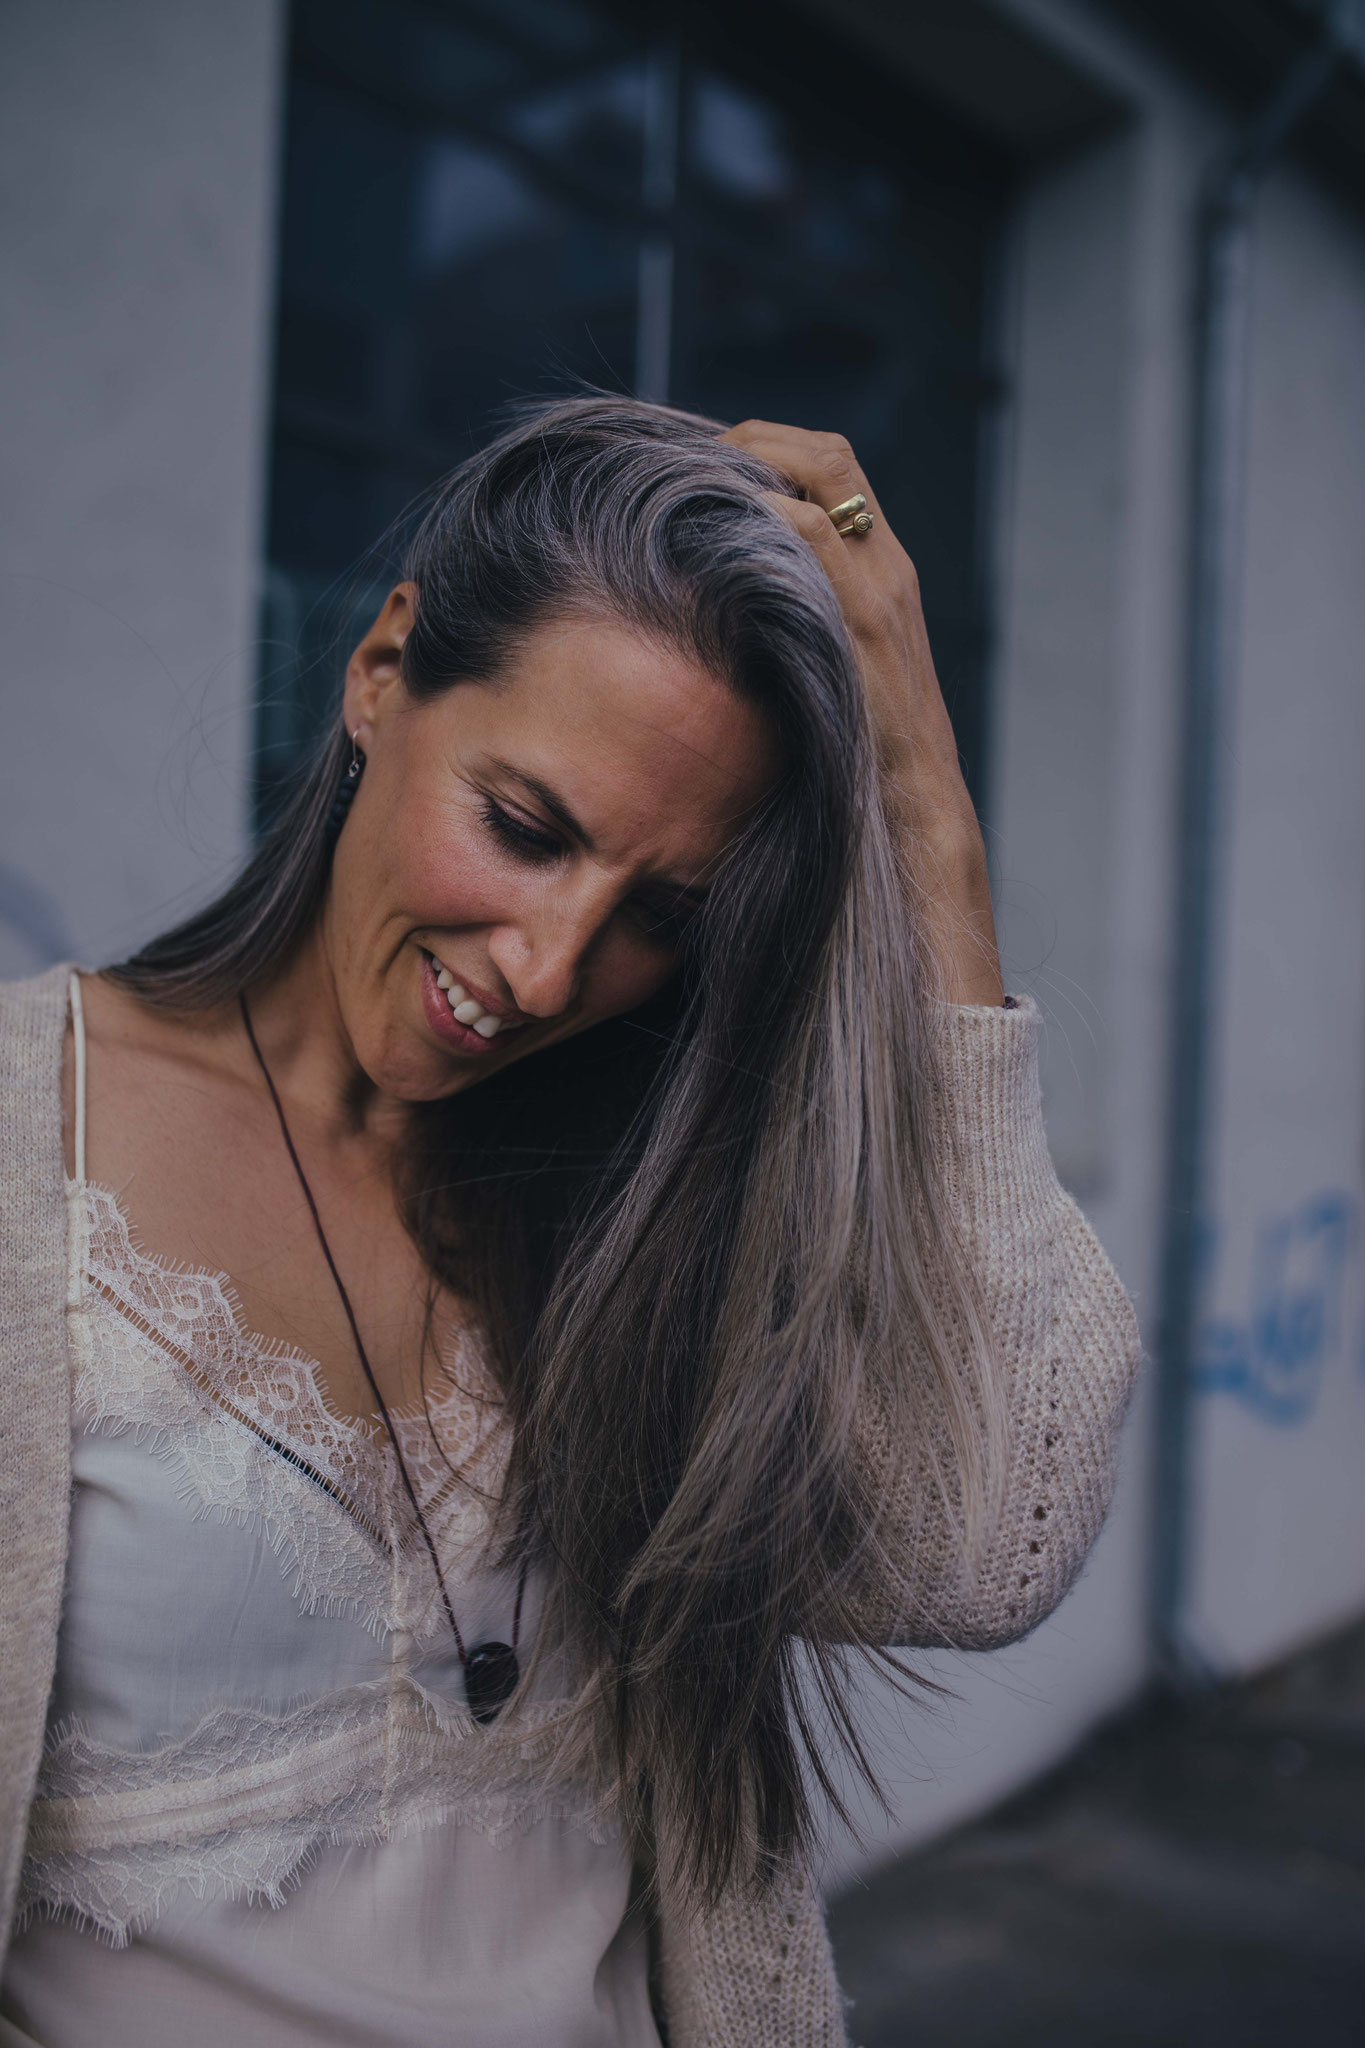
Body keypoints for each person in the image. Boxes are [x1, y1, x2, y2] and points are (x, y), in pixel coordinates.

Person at [0, 397, 1140, 2047]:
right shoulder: (31, 1144)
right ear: (381, 672)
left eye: (658, 914)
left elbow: (982, 1545)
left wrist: (923, 824)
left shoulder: (650, 1201)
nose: (545, 973)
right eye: (525, 830)